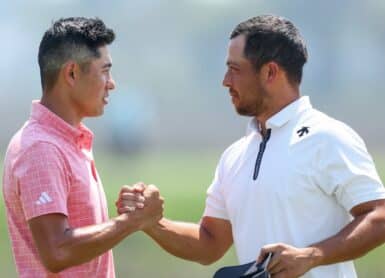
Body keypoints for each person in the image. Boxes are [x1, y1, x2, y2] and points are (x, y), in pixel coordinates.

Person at [117, 15, 385, 278]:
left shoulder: (329, 137)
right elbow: (209, 243)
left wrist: (312, 255)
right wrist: (153, 224)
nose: (225, 81)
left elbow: (379, 215)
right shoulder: (234, 155)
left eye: (235, 70)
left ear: (270, 72)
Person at [2, 17, 163, 277]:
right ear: (72, 73)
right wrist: (130, 222)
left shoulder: (69, 142)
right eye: (104, 71)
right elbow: (57, 251)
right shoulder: (40, 148)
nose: (112, 83)